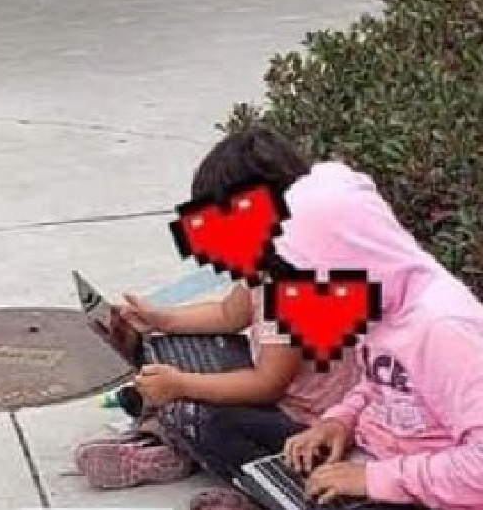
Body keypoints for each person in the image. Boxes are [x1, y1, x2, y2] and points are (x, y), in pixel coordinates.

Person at [185, 159, 483, 510]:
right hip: (377, 463)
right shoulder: (380, 295)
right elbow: (379, 382)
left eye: (307, 275)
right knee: (217, 422)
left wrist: (373, 479)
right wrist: (338, 422)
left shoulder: (444, 327)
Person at [73, 126, 362, 489]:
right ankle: (165, 434)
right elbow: (229, 314)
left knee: (206, 419)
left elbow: (267, 385)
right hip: (277, 386)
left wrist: (181, 384)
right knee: (163, 347)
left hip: (306, 422)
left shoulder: (297, 286)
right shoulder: (270, 259)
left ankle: (171, 448)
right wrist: (160, 319)